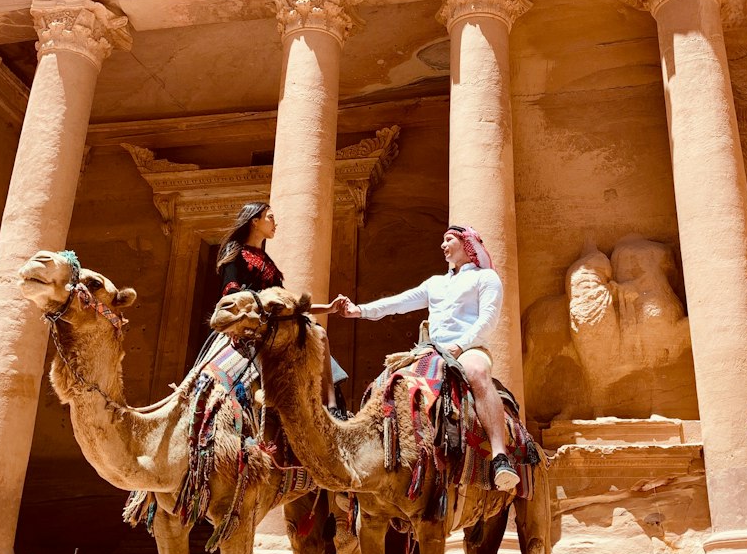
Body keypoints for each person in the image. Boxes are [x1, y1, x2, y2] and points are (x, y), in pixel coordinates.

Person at [330, 225, 521, 492]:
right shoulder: (435, 283)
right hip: (429, 350)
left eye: (449, 239)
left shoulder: (486, 278)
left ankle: (500, 456)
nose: (443, 245)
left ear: (468, 244)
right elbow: (397, 303)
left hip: (468, 348)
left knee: (477, 373)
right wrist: (358, 311)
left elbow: (488, 320)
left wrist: (461, 345)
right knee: (384, 383)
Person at [213, 201, 343, 413]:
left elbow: (288, 302)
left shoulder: (267, 261)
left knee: (318, 333)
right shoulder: (235, 251)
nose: (275, 223)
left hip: (276, 321)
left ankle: (332, 407)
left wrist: (328, 308)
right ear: (255, 221)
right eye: (270, 217)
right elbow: (231, 292)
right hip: (251, 322)